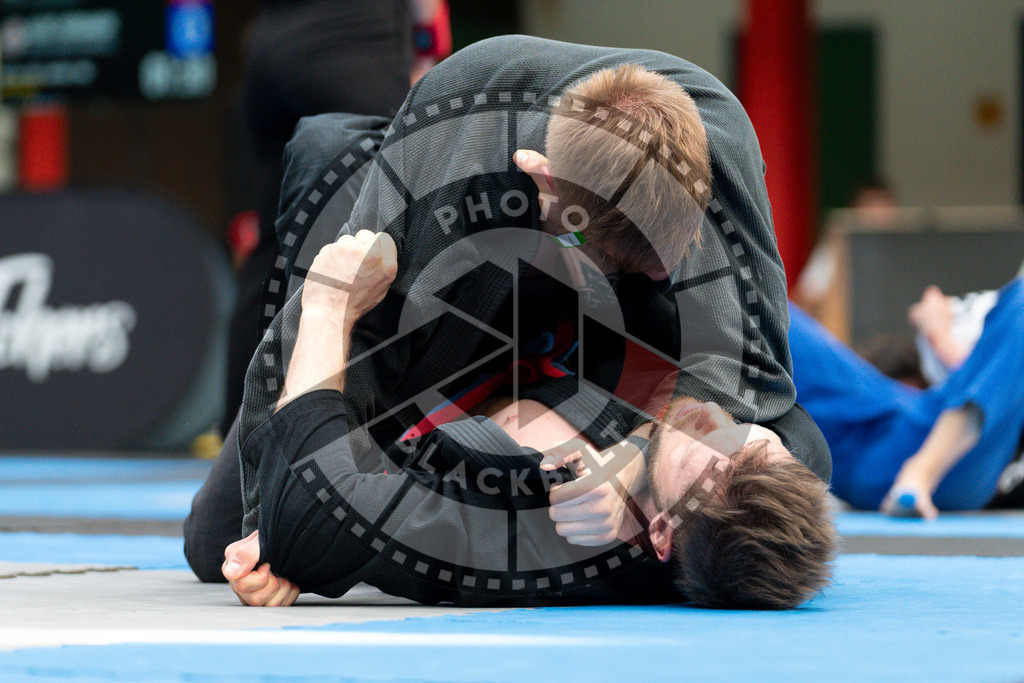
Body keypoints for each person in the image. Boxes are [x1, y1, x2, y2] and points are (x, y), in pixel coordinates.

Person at [185, 35, 831, 587]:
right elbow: (326, 337)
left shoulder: (719, 148)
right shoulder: (444, 153)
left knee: (788, 446)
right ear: (541, 176)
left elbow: (756, 383)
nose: (733, 432)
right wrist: (269, 521)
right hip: (465, 306)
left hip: (601, 342)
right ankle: (346, 156)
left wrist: (627, 467)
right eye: (627, 259)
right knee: (216, 537)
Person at [220, 229, 835, 608]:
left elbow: (308, 514)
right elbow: (792, 436)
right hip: (538, 336)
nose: (713, 416)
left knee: (221, 537)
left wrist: (329, 305)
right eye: (752, 438)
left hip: (395, 392)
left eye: (701, 441)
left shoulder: (518, 541)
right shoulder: (771, 464)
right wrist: (631, 464)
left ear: (661, 536)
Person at [789, 276, 1024, 518]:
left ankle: (920, 473)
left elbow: (1004, 381)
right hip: (884, 440)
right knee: (756, 303)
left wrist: (940, 337)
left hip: (944, 453)